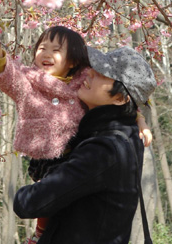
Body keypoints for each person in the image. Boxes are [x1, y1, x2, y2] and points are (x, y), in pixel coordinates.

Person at [13, 45, 157, 244]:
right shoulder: (123, 135)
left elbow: (29, 203)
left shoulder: (104, 150)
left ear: (120, 98)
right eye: (94, 68)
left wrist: (30, 191)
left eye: (102, 74)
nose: (90, 72)